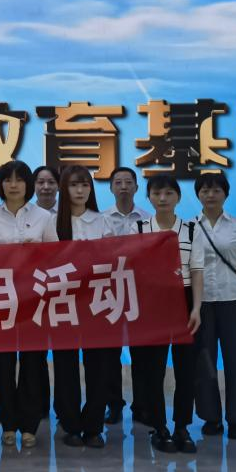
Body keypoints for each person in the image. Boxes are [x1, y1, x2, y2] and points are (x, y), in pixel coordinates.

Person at [0, 160, 57, 449]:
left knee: (32, 364)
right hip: (1, 300)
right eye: (7, 180)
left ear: (28, 185)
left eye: (19, 180)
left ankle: (29, 424)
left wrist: (36, 252)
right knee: (3, 364)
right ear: (1, 184)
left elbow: (56, 258)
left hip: (34, 301)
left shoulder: (44, 217)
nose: (13, 185)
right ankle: (8, 424)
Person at [135, 174, 206, 454]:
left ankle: (182, 427)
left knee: (186, 370)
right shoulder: (139, 228)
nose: (162, 198)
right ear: (149, 197)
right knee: (153, 370)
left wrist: (196, 307)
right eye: (156, 193)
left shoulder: (191, 230)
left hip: (185, 298)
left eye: (168, 193)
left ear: (178, 197)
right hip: (153, 302)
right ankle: (159, 427)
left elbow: (197, 271)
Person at [48, 164, 118, 448]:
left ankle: (93, 426)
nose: (80, 190)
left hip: (96, 303)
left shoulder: (103, 222)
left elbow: (114, 262)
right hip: (63, 303)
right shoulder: (52, 222)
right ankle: (70, 424)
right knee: (65, 366)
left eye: (85, 185)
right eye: (74, 185)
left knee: (98, 366)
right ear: (63, 189)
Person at [192, 172, 236, 441]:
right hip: (201, 304)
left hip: (234, 301)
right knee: (204, 363)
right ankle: (211, 418)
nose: (210, 195)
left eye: (216, 190)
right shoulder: (189, 227)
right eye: (205, 190)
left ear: (226, 194)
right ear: (198, 194)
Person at [102, 166, 151, 424]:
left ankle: (141, 404)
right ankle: (114, 404)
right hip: (109, 292)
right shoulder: (100, 219)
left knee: (141, 351)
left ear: (136, 187)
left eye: (128, 182)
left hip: (138, 292)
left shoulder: (148, 220)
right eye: (118, 182)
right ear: (111, 188)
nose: (123, 187)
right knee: (110, 352)